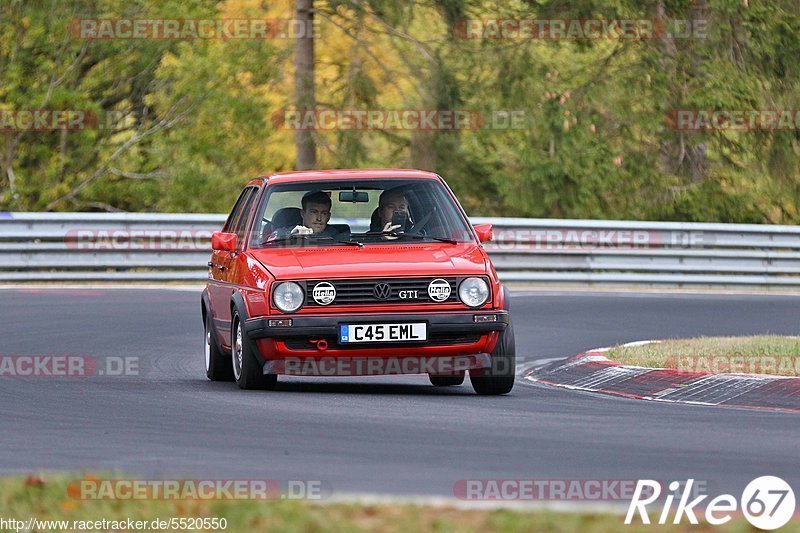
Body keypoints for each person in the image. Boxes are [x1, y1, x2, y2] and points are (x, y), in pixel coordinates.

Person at [275, 190, 345, 239]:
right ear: (302, 213)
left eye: (324, 213)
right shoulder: (286, 232)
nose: (319, 218)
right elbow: (269, 243)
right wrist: (291, 236)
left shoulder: (337, 237)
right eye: (314, 212)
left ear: (328, 217)